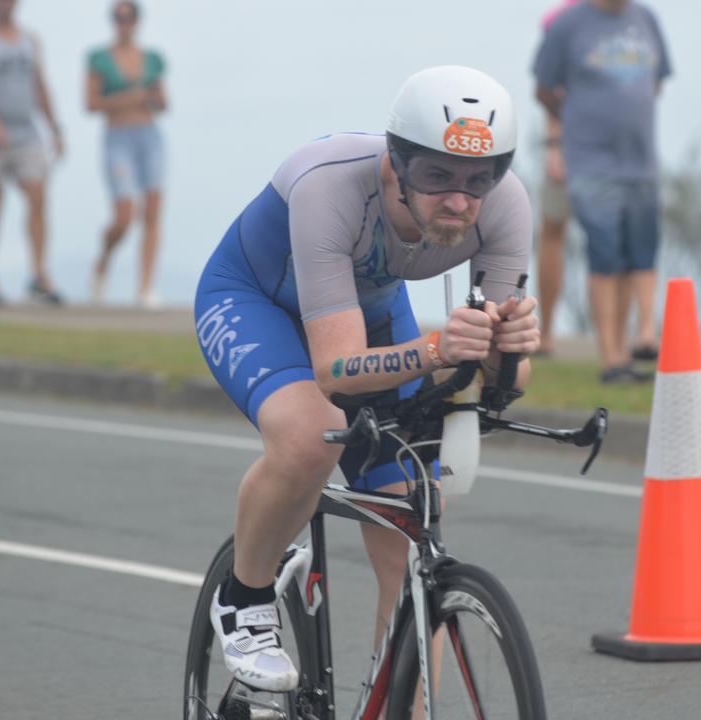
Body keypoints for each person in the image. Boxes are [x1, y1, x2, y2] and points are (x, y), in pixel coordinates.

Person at [194, 66, 540, 691]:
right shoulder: (332, 185)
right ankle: (244, 596)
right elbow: (334, 371)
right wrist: (436, 348)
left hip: (372, 315)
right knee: (310, 435)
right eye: (437, 176)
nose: (460, 200)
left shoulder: (507, 205)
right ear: (397, 163)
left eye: (477, 180)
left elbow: (500, 372)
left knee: (412, 520)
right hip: (255, 302)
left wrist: (508, 351)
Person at [533, 0, 671, 382]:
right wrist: (560, 139)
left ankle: (630, 348)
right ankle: (609, 359)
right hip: (588, 163)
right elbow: (544, 89)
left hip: (640, 163)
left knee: (637, 255)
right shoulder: (567, 24)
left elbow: (655, 82)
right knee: (603, 255)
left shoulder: (647, 19)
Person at [0, 0, 64, 306]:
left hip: (26, 133)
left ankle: (39, 275)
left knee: (38, 196)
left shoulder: (29, 40)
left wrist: (54, 127)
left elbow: (40, 85)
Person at [86, 0, 169, 309]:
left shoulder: (152, 60)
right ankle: (103, 260)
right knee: (124, 215)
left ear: (137, 21)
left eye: (129, 17)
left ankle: (146, 287)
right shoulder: (98, 59)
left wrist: (152, 97)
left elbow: (163, 102)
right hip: (117, 137)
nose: (124, 23)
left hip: (149, 137)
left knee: (152, 212)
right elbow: (91, 103)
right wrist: (129, 97)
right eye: (119, 18)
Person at [535, 0, 579, 358]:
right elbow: (550, 89)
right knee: (553, 230)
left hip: (616, 153)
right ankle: (546, 332)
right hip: (566, 144)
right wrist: (554, 144)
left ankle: (626, 342)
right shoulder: (560, 20)